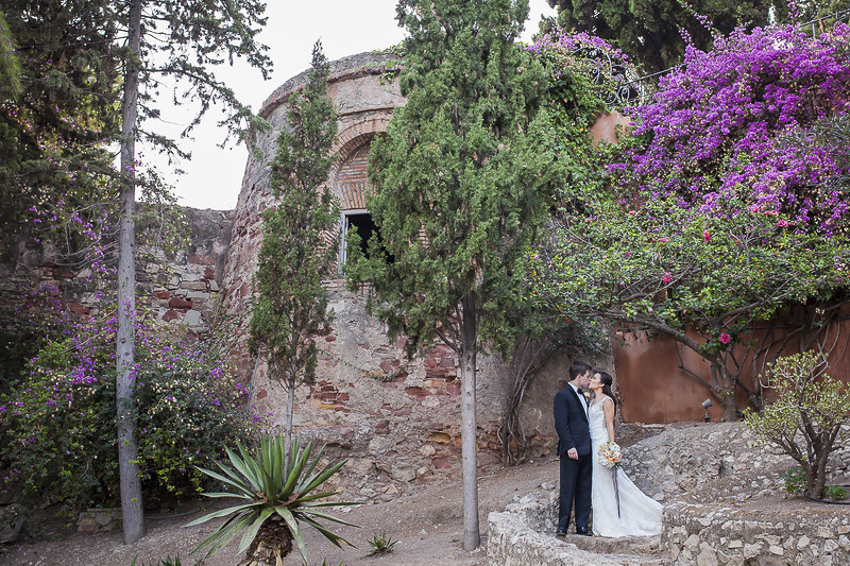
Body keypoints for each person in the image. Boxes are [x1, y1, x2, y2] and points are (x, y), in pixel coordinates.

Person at [588, 371, 662, 537]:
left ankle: (614, 521)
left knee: (609, 482)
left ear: (601, 384)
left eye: (594, 378)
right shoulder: (592, 401)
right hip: (592, 443)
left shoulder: (607, 401)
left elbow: (609, 425)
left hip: (602, 444)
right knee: (599, 485)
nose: (591, 379)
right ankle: (601, 523)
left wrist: (611, 448)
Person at [553, 361, 593, 537]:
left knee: (584, 487)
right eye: (587, 377)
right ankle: (562, 526)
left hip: (586, 448)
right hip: (572, 449)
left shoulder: (583, 395)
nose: (589, 380)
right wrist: (570, 446)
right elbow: (561, 424)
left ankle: (581, 526)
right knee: (568, 488)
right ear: (579, 377)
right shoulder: (563, 396)